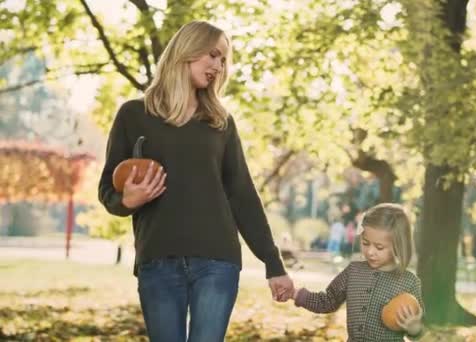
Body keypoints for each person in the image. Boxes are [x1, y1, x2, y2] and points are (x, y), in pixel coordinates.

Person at [98, 20, 294, 342]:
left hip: (218, 262)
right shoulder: (133, 115)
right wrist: (126, 201)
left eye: (223, 60)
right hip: (157, 260)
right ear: (187, 51)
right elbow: (108, 188)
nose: (218, 66)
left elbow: (242, 196)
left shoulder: (220, 123)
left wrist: (274, 264)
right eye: (213, 55)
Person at [291, 203, 424, 341]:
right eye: (366, 243)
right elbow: (327, 301)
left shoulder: (409, 282)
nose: (370, 252)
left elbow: (417, 331)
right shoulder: (353, 271)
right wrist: (296, 294)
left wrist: (414, 329)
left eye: (379, 247)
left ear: (398, 245)